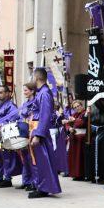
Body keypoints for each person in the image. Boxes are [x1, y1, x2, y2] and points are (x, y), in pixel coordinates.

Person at [28, 68, 62, 198]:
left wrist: (38, 134)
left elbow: (45, 115)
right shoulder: (41, 92)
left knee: (44, 160)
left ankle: (44, 187)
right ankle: (41, 185)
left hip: (40, 130)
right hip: (36, 128)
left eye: (32, 76)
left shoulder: (44, 93)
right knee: (39, 160)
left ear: (36, 78)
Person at [83, 92, 104, 184]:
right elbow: (85, 121)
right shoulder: (90, 104)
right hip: (93, 133)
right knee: (93, 155)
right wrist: (87, 113)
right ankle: (94, 175)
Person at [15, 83, 37, 191]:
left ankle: (34, 182)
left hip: (31, 132)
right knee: (24, 158)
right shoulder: (25, 103)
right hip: (23, 132)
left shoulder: (36, 103)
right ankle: (26, 181)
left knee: (31, 158)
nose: (24, 92)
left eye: (26, 90)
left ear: (32, 91)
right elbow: (21, 117)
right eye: (23, 90)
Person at [64, 100, 87, 181]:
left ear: (81, 105)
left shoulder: (85, 113)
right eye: (75, 107)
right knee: (74, 157)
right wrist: (69, 128)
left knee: (80, 158)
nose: (77, 108)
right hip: (74, 138)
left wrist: (73, 120)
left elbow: (82, 123)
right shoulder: (74, 114)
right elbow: (67, 124)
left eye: (78, 106)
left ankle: (82, 174)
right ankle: (75, 174)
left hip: (82, 138)